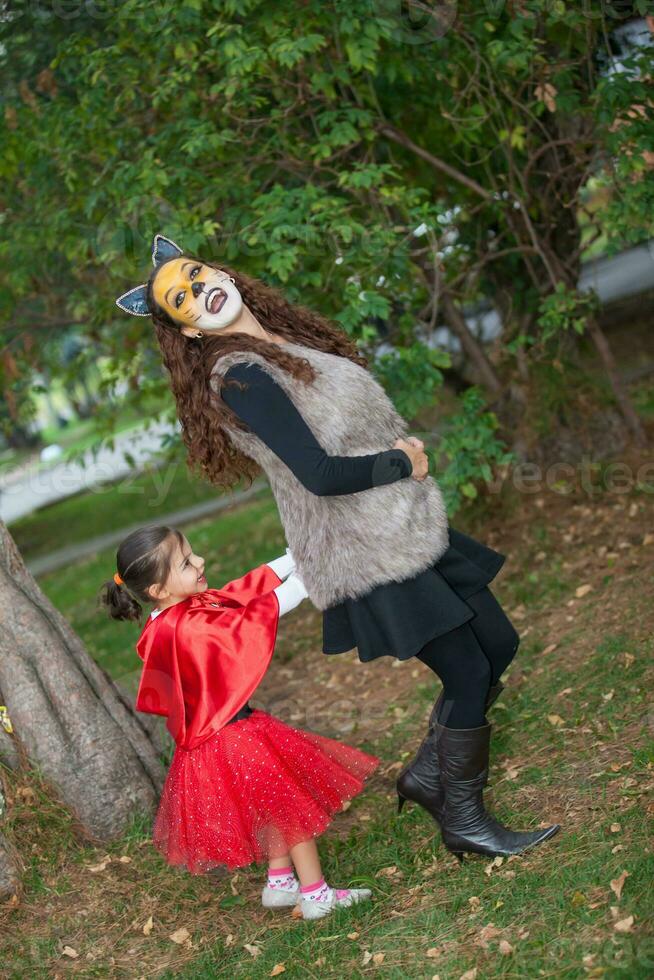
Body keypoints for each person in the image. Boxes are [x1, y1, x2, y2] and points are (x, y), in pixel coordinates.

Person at [115, 234, 560, 859]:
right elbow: (319, 476)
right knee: (467, 670)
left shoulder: (280, 343)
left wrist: (400, 477)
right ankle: (463, 818)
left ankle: (431, 777)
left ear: (219, 269)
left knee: (498, 645)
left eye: (196, 274)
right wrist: (401, 463)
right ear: (186, 330)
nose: (199, 290)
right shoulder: (240, 375)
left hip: (400, 523)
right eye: (182, 298)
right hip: (361, 546)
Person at [99, 524, 378, 920]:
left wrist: (291, 561)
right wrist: (303, 582)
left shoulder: (170, 614)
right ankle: (317, 894)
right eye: (186, 563)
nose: (200, 562)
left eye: (193, 554)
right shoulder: (187, 626)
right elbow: (247, 620)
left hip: (215, 738)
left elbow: (236, 594)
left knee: (272, 803)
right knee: (289, 809)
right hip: (230, 736)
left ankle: (280, 882)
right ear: (159, 590)